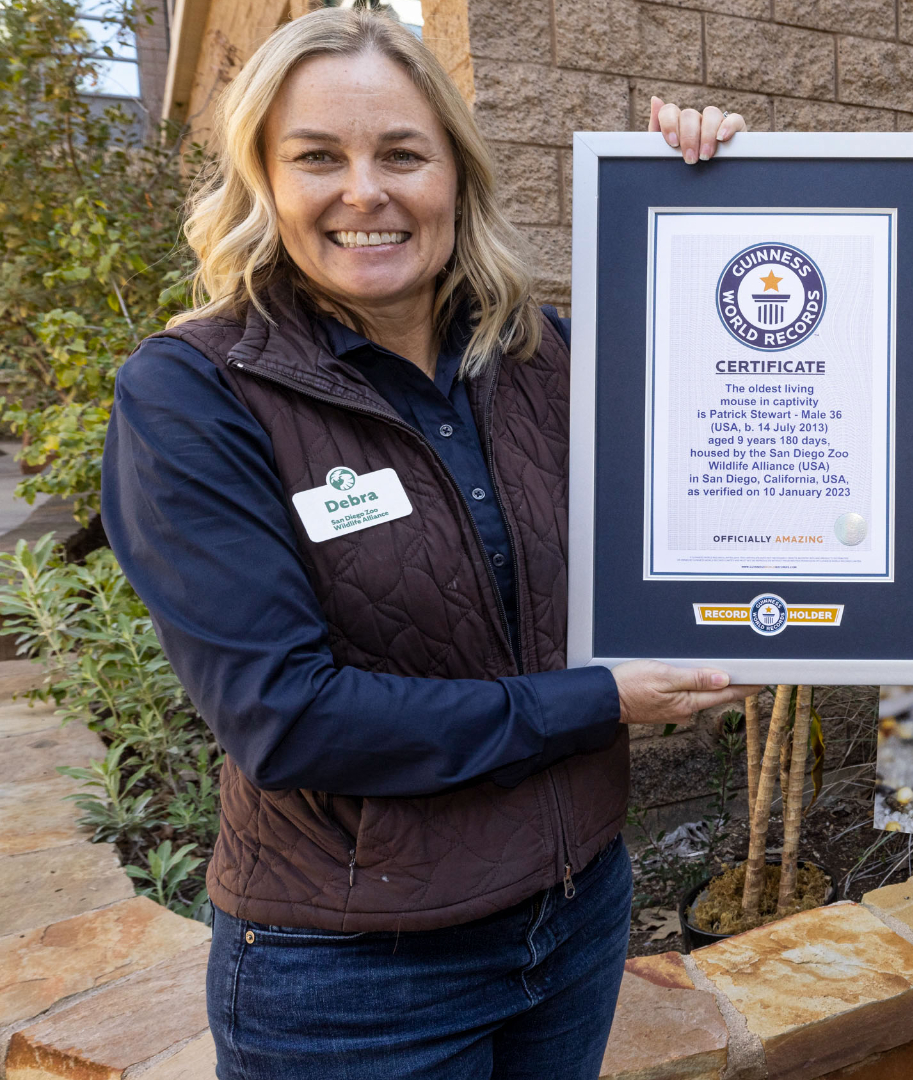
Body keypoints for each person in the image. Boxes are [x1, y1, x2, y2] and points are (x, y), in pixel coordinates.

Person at [98, 7, 752, 1077]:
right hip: (356, 975)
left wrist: (717, 193)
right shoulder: (197, 394)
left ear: (456, 174)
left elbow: (746, 395)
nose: (366, 191)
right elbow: (288, 717)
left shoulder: (547, 356)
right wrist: (603, 697)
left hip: (577, 917)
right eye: (318, 157)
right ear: (263, 177)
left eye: (403, 153)